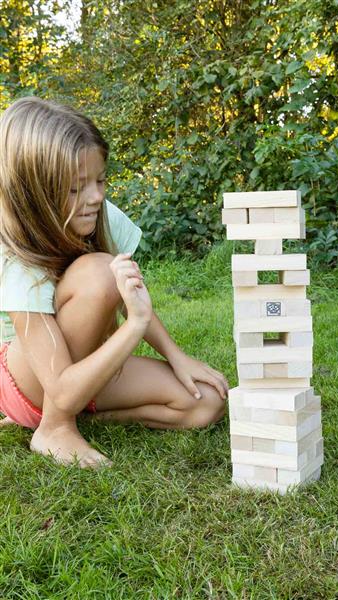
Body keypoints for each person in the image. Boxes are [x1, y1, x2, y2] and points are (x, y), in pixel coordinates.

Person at [0, 97, 228, 468]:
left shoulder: (101, 214)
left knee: (206, 402)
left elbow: (129, 294)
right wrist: (134, 326)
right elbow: (60, 386)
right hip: (29, 383)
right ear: (36, 191)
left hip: (85, 371)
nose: (96, 196)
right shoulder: (15, 257)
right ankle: (53, 428)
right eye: (76, 188)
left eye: (101, 179)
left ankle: (94, 418)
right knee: (100, 271)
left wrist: (176, 355)